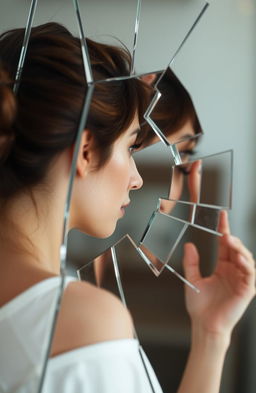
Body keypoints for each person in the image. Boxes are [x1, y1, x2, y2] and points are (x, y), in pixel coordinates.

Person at [0, 22, 255, 393]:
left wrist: (210, 334)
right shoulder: (82, 320)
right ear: (85, 152)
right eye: (129, 147)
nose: (136, 178)